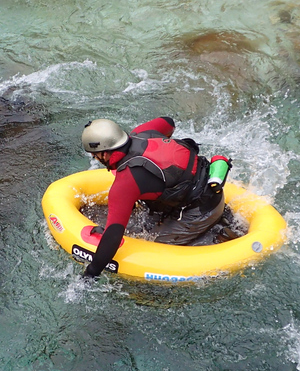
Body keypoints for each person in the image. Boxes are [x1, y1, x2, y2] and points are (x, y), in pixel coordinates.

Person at [80, 117, 231, 279]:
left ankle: (217, 236)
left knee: (154, 248)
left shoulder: (126, 183)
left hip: (200, 212)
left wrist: (91, 273)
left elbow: (113, 236)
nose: (96, 159)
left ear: (103, 153)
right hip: (210, 189)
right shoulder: (143, 132)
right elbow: (168, 122)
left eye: (95, 156)